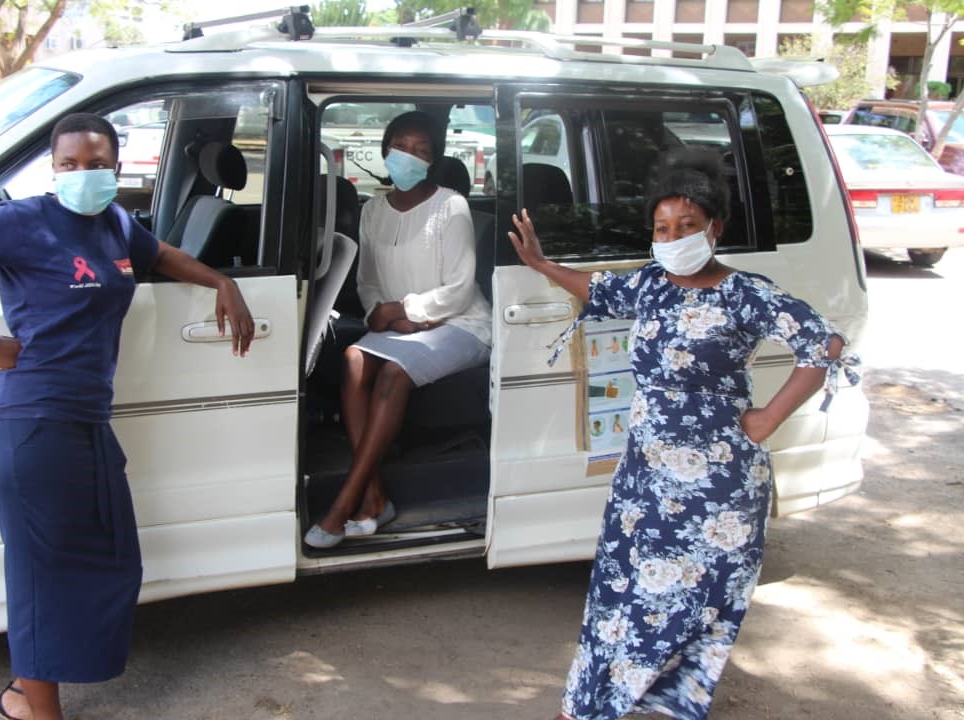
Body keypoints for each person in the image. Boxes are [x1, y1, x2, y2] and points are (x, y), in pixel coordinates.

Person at [0, 113, 254, 720]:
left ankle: (21, 690)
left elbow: (159, 253)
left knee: (110, 560)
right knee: (43, 572)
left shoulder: (113, 222)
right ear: (53, 168)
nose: (84, 174)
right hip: (27, 419)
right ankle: (38, 711)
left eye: (97, 163)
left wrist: (220, 281)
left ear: (117, 165)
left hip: (83, 420)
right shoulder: (25, 220)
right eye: (70, 165)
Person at [507, 149, 858, 720]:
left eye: (687, 227)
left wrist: (768, 418)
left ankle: (650, 706)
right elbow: (598, 290)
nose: (673, 238)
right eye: (662, 228)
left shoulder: (745, 292)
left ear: (714, 229)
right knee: (621, 591)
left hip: (716, 484)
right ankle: (591, 704)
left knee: (689, 599)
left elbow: (825, 344)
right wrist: (543, 265)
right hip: (645, 476)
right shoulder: (649, 284)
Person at [304, 111, 491, 549]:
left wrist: (404, 310)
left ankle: (344, 502)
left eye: (421, 151)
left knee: (392, 372)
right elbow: (367, 280)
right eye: (402, 147)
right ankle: (375, 495)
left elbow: (460, 289)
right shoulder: (372, 210)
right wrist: (381, 313)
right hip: (401, 324)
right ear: (386, 149)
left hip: (462, 323)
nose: (409, 157)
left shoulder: (452, 206)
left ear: (434, 161)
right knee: (352, 359)